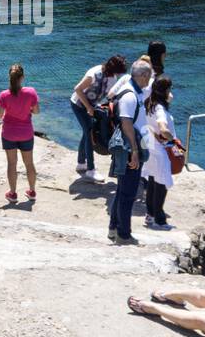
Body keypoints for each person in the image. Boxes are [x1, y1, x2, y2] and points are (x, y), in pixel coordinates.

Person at [108, 59, 152, 244]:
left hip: (133, 147)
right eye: (148, 76)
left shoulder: (137, 93)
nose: (149, 79)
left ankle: (113, 228)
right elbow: (126, 124)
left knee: (122, 190)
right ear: (141, 75)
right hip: (128, 149)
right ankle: (124, 235)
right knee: (128, 193)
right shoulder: (130, 95)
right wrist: (134, 151)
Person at [69, 54, 127, 183]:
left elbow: (111, 94)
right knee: (89, 132)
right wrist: (89, 107)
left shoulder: (112, 77)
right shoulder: (94, 73)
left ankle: (81, 163)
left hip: (91, 106)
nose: (118, 75)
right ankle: (90, 169)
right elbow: (77, 89)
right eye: (118, 72)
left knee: (86, 132)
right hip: (78, 105)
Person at [0, 63, 39, 203]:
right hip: (26, 133)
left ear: (9, 77)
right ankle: (32, 192)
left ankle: (13, 194)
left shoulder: (4, 95)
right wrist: (28, 110)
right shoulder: (31, 92)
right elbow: (37, 111)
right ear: (23, 77)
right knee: (29, 163)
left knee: (12, 164)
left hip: (9, 134)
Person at [141, 75, 177, 228]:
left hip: (148, 145)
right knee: (161, 183)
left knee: (152, 181)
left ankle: (150, 215)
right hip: (159, 149)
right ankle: (159, 218)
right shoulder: (160, 108)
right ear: (165, 90)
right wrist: (172, 140)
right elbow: (163, 127)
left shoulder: (149, 103)